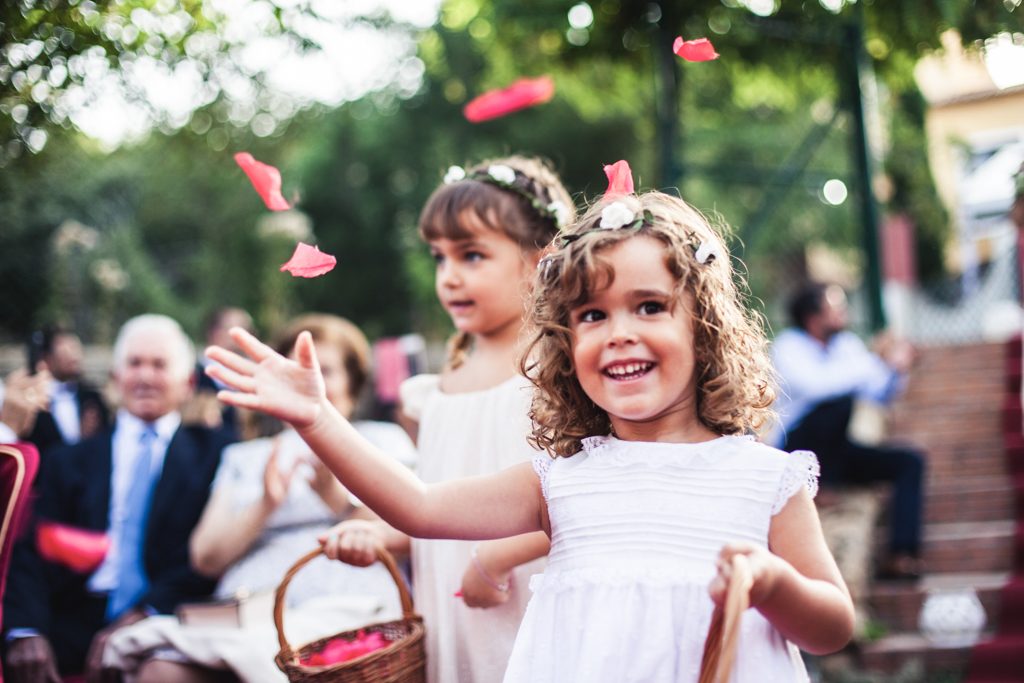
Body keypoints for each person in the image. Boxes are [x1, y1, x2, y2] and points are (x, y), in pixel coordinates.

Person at [206, 164, 855, 681]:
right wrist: (318, 417)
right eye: (592, 316)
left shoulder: (763, 477)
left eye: (650, 306)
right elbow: (420, 506)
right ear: (567, 343)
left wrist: (774, 583)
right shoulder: (563, 479)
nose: (619, 334)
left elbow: (832, 624)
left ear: (705, 327)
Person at [302, 156, 573, 683]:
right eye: (439, 258)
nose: (449, 276)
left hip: (531, 605)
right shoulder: (436, 391)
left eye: (472, 256)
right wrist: (382, 535)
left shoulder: (557, 374)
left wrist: (494, 560)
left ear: (541, 257)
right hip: (452, 616)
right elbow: (439, 514)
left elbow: (590, 495)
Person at [102, 313, 416, 683]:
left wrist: (334, 496)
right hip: (248, 608)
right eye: (294, 370)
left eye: (323, 370)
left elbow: (406, 528)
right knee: (158, 670)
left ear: (352, 381)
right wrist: (266, 504)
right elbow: (205, 558)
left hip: (345, 604)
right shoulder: (247, 456)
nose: (306, 380)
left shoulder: (381, 439)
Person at [3, 314, 230, 683]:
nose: (144, 376)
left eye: (159, 365)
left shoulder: (215, 455)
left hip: (166, 618)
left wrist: (147, 612)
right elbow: (29, 550)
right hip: (74, 615)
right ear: (115, 377)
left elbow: (207, 555)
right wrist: (26, 630)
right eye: (134, 363)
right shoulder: (69, 460)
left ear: (188, 383)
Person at [771, 282, 926, 580]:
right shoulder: (788, 346)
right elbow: (818, 386)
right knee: (835, 405)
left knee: (910, 462)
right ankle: (818, 486)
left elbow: (876, 394)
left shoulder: (847, 346)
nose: (844, 313)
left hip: (838, 449)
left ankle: (902, 556)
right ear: (813, 316)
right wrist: (873, 361)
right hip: (797, 447)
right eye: (835, 307)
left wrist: (895, 368)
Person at [25, 325, 110, 453]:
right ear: (46, 358)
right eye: (65, 347)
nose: (73, 354)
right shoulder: (30, 402)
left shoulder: (93, 400)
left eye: (75, 347)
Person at [189, 308, 255, 441]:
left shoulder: (253, 376)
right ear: (215, 333)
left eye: (249, 330)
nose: (248, 336)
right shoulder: (193, 374)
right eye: (240, 329)